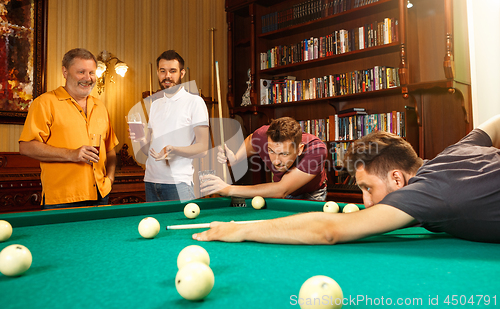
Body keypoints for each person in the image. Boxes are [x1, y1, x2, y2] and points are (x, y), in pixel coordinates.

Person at [193, 114, 500, 244]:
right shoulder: (456, 151)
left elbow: (329, 230)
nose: (365, 202)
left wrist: (241, 229)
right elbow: (494, 124)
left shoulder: (428, 191)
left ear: (397, 178)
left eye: (368, 189)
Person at [19, 48, 119, 208]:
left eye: (92, 73)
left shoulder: (100, 107)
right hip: (62, 200)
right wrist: (72, 154)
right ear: (65, 72)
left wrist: (110, 180)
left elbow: (110, 150)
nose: (88, 78)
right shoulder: (45, 103)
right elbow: (26, 146)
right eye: (81, 72)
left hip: (101, 195)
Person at [130, 50, 209, 201]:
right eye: (163, 71)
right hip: (151, 181)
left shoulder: (195, 102)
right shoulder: (155, 104)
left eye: (173, 71)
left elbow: (203, 148)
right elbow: (149, 151)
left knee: (182, 225)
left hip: (178, 183)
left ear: (182, 73)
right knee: (153, 225)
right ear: (158, 73)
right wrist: (140, 139)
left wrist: (175, 149)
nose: (167, 76)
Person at [200, 117, 328, 201]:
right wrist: (235, 159)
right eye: (271, 151)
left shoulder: (316, 149)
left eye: (284, 154)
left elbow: (281, 189)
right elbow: (252, 139)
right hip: (280, 190)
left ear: (300, 149)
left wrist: (228, 189)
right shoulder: (263, 135)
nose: (276, 161)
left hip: (311, 193)